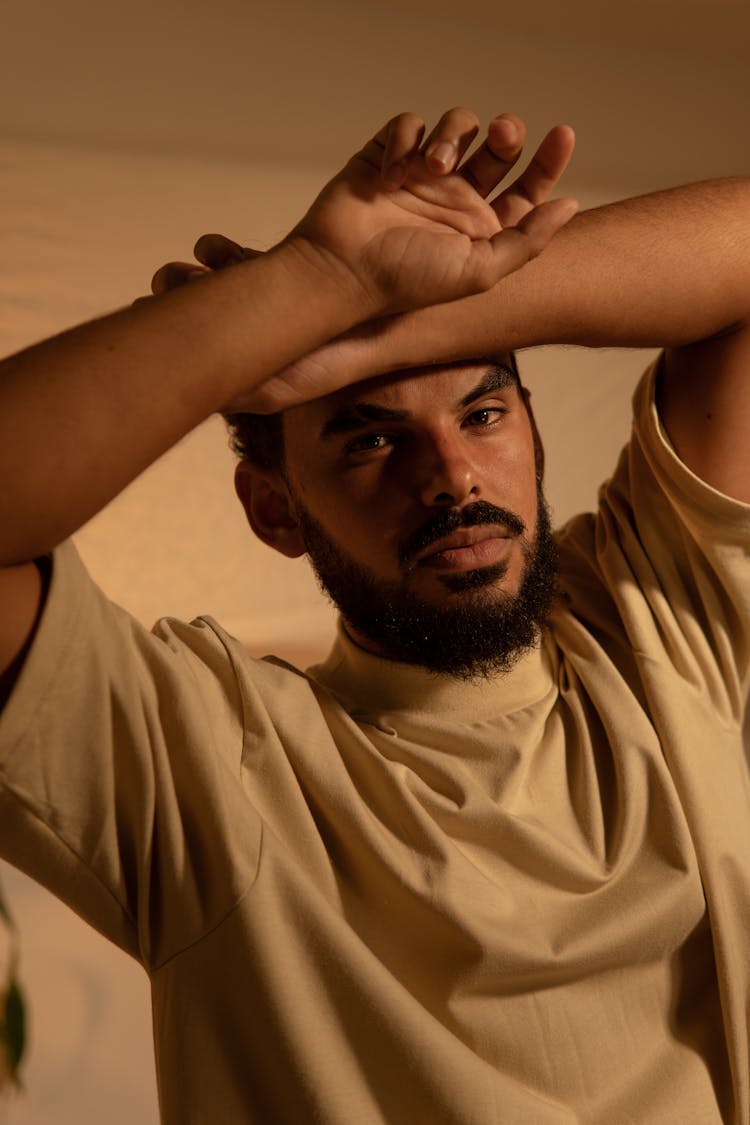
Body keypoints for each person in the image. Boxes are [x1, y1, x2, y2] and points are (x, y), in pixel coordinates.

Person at [0, 105, 748, 1124]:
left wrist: (397, 320)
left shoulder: (656, 622)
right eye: (368, 440)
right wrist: (319, 282)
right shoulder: (211, 768)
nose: (452, 475)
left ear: (529, 425)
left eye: (483, 412)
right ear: (276, 513)